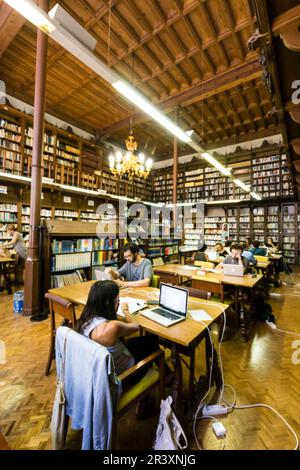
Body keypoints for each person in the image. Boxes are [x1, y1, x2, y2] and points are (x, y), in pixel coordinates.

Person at [77, 281, 173, 416]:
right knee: (152, 345)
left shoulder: (85, 320)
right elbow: (136, 327)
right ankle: (150, 394)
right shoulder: (112, 327)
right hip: (125, 376)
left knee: (147, 342)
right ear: (108, 303)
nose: (118, 301)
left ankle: (167, 376)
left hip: (98, 375)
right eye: (117, 299)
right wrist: (126, 310)